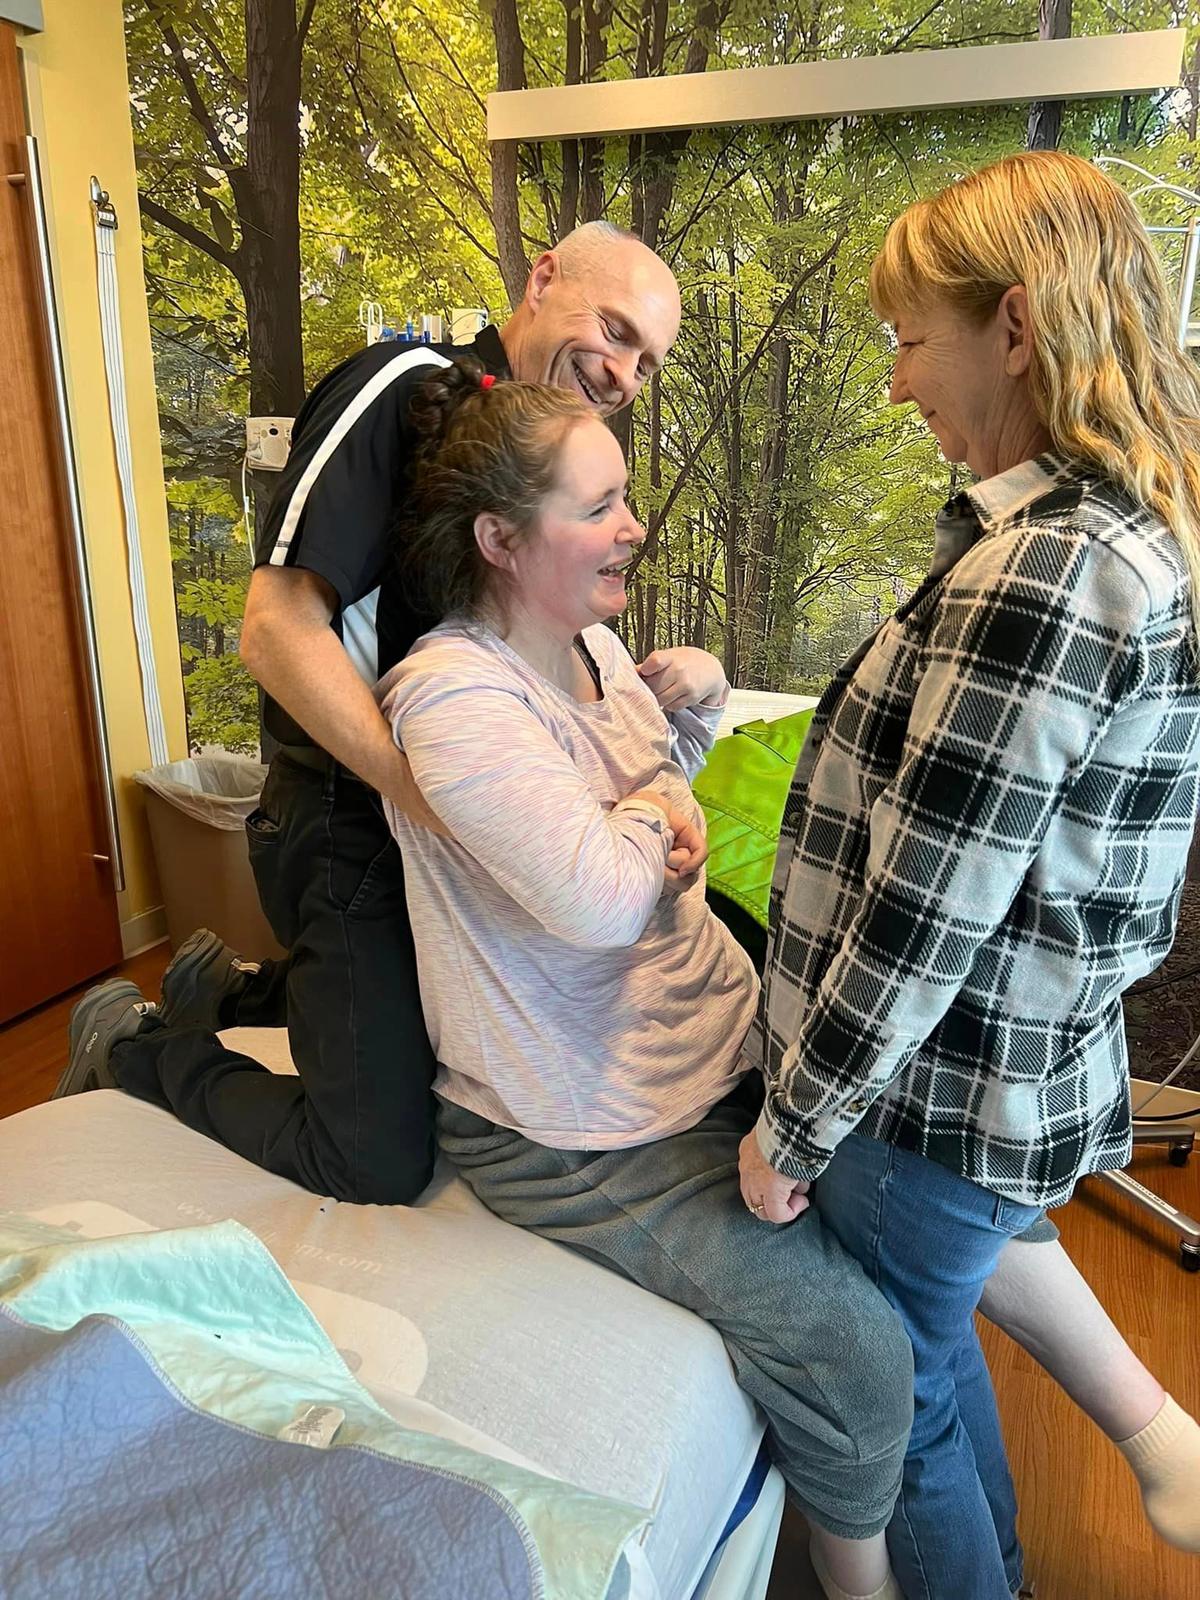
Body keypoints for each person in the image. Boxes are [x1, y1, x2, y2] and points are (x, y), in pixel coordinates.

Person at [737, 149, 1200, 1599]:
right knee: (936, 1363)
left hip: (924, 1104)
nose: (892, 382)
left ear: (1014, 324)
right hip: (996, 1081)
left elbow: (922, 914)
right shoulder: (1109, 539)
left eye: (907, 340)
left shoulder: (1046, 572)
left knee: (908, 1402)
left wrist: (794, 1127)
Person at [377, 358, 914, 1600]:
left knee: (924, 1207)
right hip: (582, 1126)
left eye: (628, 496)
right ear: (501, 539)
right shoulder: (454, 699)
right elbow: (612, 889)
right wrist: (669, 793)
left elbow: (648, 822)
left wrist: (699, 707)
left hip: (712, 1052)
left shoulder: (597, 647)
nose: (635, 525)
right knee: (857, 1352)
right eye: (599, 506)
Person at [55, 223, 682, 1207]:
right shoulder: (401, 390)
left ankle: (244, 989)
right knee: (380, 1157)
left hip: (444, 815)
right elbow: (273, 630)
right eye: (615, 331)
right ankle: (136, 1046)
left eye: (647, 361)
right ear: (544, 277)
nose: (624, 374)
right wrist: (420, 794)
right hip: (351, 814)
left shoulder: (536, 449)